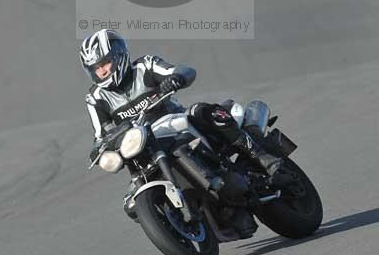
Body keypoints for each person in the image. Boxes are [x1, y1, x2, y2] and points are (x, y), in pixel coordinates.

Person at [81, 29, 285, 220]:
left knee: (203, 110)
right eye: (96, 68)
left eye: (105, 63)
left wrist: (176, 78)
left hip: (176, 124)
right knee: (131, 206)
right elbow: (101, 135)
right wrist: (97, 150)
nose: (102, 71)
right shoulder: (95, 98)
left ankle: (264, 158)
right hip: (143, 147)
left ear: (118, 55)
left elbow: (184, 70)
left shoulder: (144, 66)